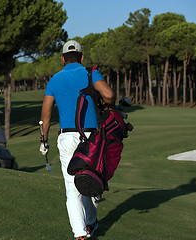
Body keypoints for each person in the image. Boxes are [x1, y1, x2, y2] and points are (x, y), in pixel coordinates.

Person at [39, 40, 115, 240]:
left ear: (63, 59)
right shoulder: (90, 73)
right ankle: (90, 223)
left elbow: (45, 116)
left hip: (67, 137)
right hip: (91, 138)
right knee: (91, 180)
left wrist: (43, 140)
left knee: (73, 189)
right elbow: (108, 94)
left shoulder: (55, 79)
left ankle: (81, 233)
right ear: (81, 57)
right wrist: (107, 105)